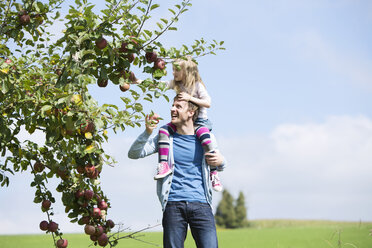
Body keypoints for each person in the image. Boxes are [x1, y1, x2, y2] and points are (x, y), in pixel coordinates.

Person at [128, 96, 227, 248]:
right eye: (172, 106)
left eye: (178, 107)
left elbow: (220, 163)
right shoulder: (165, 138)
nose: (172, 109)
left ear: (191, 112)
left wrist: (221, 161)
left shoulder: (206, 137)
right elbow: (134, 154)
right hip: (173, 204)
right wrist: (147, 132)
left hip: (202, 204)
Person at [155, 56, 223, 192]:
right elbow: (159, 85)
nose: (173, 73)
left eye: (176, 70)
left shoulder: (197, 86)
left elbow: (208, 102)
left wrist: (190, 98)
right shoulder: (176, 84)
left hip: (200, 121)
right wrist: (137, 81)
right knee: (163, 131)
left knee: (205, 138)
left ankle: (214, 172)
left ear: (186, 71)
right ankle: (164, 164)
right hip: (183, 122)